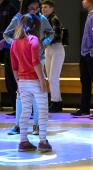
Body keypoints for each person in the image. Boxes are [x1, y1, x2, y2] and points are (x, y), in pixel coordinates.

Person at [4, 0, 54, 135]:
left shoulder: (42, 19)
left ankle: (37, 126)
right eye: (32, 8)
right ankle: (18, 126)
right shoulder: (18, 18)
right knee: (21, 95)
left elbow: (51, 33)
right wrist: (16, 44)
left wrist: (43, 43)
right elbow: (6, 34)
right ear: (25, 7)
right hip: (23, 63)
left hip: (39, 59)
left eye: (37, 8)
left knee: (38, 95)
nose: (35, 11)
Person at [11, 13, 52, 152]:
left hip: (22, 82)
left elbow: (14, 67)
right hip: (35, 80)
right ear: (35, 26)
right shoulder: (33, 40)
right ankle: (43, 141)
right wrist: (43, 81)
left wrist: (18, 84)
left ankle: (23, 141)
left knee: (26, 111)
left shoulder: (14, 42)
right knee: (42, 110)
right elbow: (36, 63)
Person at [71, 0, 93, 119]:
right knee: (85, 81)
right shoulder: (92, 14)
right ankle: (84, 109)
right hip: (87, 54)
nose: (82, 2)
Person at [41, 0, 65, 113]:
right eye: (42, 7)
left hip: (56, 48)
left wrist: (43, 41)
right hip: (48, 49)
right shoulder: (43, 19)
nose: (43, 9)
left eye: (46, 7)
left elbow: (56, 36)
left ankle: (55, 103)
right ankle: (57, 102)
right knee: (50, 78)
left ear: (52, 8)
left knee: (53, 78)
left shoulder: (54, 19)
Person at [0, 0, 18, 114]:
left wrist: (5, 40)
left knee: (12, 78)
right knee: (8, 79)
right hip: (3, 46)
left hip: (10, 46)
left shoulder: (12, 5)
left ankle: (18, 107)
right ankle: (15, 107)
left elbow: (14, 29)